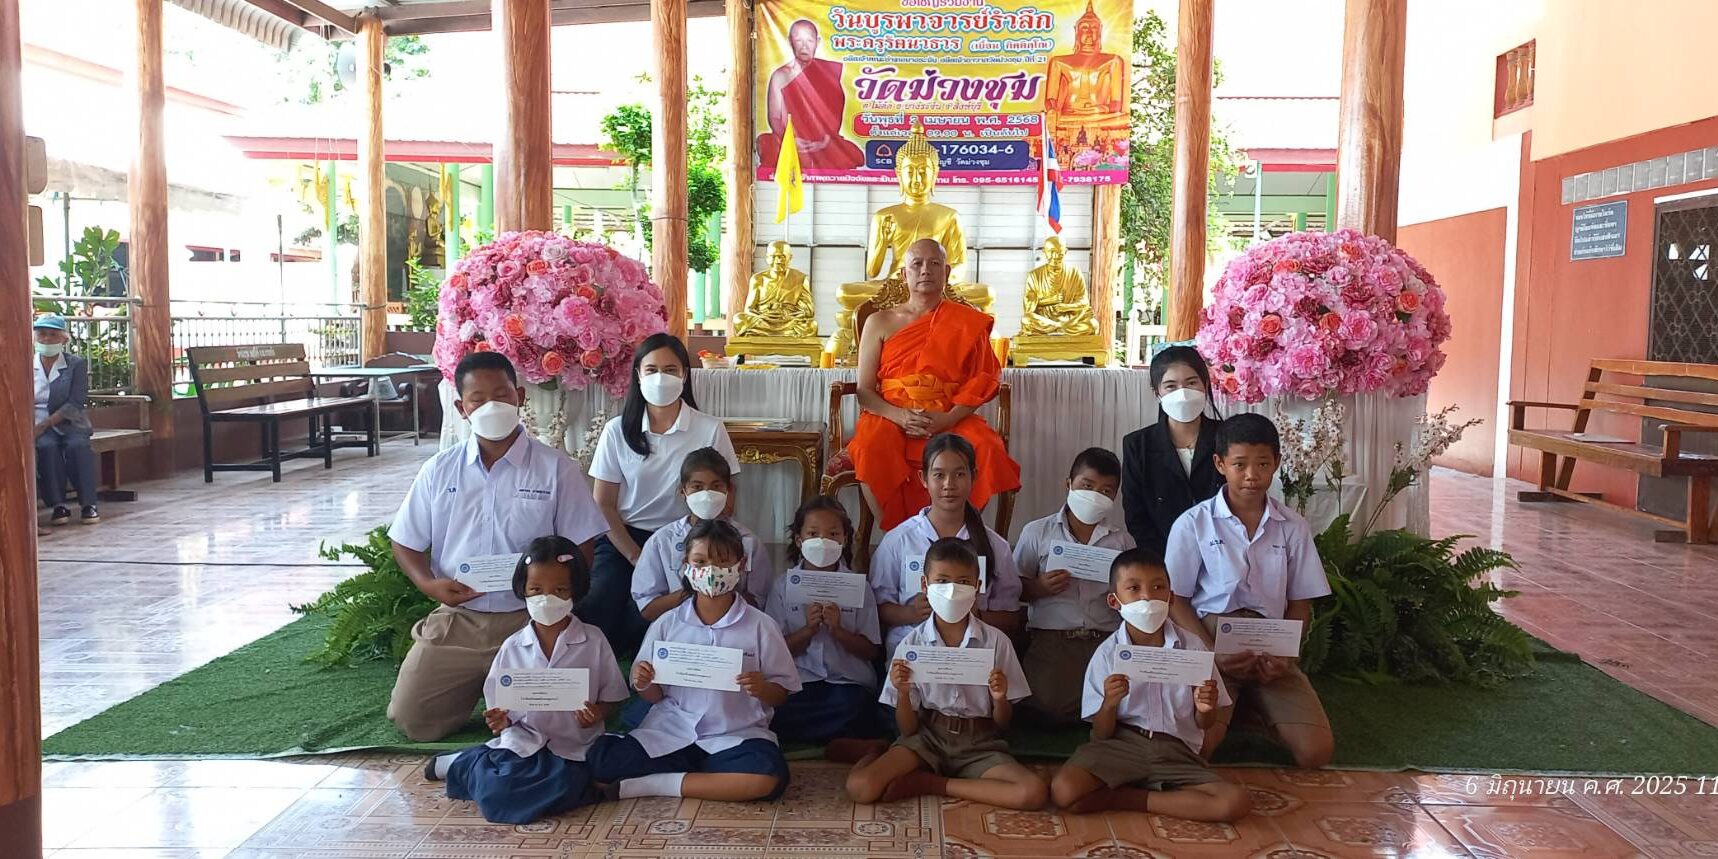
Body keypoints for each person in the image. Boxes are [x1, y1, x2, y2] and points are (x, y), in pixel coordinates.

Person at [386, 351, 609, 742]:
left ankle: (509, 693)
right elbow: (405, 540)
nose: (492, 406)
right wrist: (429, 584)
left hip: (532, 622)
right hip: (460, 619)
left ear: (519, 397)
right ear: (462, 408)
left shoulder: (555, 468)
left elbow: (582, 546)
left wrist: (555, 604)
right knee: (413, 721)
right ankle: (477, 686)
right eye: (478, 399)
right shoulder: (440, 469)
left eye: (502, 395)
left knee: (560, 724)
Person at [1165, 413, 1334, 769]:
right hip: (1211, 638)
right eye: (1239, 464)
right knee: (1196, 749)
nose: (1252, 476)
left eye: (1263, 464)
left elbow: (1300, 602)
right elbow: (1175, 599)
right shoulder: (1193, 523)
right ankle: (1236, 705)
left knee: (1315, 752)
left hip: (1271, 645)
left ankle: (1253, 703)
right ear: (1220, 464)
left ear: (1277, 463)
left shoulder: (1293, 527)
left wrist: (1286, 656)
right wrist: (1210, 654)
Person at [588, 520, 800, 802]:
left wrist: (762, 688)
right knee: (601, 763)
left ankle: (653, 785)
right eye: (700, 561)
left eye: (723, 561)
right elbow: (653, 695)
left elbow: (781, 694)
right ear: (686, 565)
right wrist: (644, 681)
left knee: (766, 777)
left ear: (741, 564)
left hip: (734, 734)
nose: (711, 571)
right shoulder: (668, 623)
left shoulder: (761, 626)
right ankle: (703, 781)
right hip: (671, 731)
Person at [424, 537, 630, 824]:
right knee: (500, 792)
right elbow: (500, 706)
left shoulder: (593, 641)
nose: (547, 599)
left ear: (576, 590)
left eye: (560, 590)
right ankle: (467, 763)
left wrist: (597, 713)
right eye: (536, 589)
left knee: (573, 784)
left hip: (573, 745)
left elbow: (612, 697)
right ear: (523, 589)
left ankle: (467, 762)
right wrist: (501, 720)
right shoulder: (513, 646)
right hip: (523, 743)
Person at [1049, 549, 1250, 822]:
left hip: (1175, 750)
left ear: (1171, 597)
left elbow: (1205, 723)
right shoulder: (1108, 653)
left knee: (1233, 803)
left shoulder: (1192, 647)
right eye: (1134, 588)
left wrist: (1205, 707)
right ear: (1114, 600)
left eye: (1158, 587)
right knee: (1064, 790)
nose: (1147, 597)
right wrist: (1109, 703)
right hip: (1122, 745)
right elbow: (1101, 733)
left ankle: (1123, 798)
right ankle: (1167, 798)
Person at [844, 538, 1046, 809]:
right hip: (928, 739)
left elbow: (1003, 723)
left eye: (963, 582)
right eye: (942, 581)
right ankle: (875, 752)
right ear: (925, 585)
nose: (952, 591)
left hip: (979, 744)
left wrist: (999, 698)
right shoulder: (912, 644)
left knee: (1032, 793)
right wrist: (902, 693)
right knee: (860, 788)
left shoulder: (996, 642)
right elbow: (908, 728)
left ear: (977, 586)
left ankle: (931, 783)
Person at [849, 238, 1020, 530]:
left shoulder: (966, 322)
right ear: (904, 274)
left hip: (947, 413)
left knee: (987, 446)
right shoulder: (879, 321)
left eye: (934, 263)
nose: (925, 270)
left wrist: (947, 419)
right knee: (870, 445)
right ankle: (899, 536)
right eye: (917, 264)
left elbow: (982, 382)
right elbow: (864, 391)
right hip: (891, 414)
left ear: (947, 272)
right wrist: (900, 416)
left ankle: (958, 531)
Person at [588, 333, 741, 655]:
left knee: (677, 607)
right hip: (627, 539)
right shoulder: (617, 431)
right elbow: (603, 503)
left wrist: (701, 545)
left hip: (688, 537)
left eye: (670, 370)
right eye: (652, 369)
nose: (661, 378)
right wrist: (636, 556)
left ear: (684, 375)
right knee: (601, 600)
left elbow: (727, 493)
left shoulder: (709, 428)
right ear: (638, 375)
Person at [1013, 447, 1136, 727]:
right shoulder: (1037, 532)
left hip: (1106, 637)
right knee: (1049, 708)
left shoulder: (1122, 541)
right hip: (1053, 637)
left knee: (1119, 702)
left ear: (1115, 497)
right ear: (1068, 484)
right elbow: (1013, 589)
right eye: (1087, 486)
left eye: (1106, 491)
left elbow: (1132, 592)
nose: (1095, 495)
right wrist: (1039, 587)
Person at [870, 432, 1022, 654]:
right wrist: (910, 613)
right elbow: (876, 608)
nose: (949, 484)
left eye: (959, 474)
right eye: (939, 475)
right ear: (923, 478)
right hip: (914, 657)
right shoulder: (898, 541)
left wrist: (976, 614)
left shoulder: (995, 546)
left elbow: (1011, 617)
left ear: (974, 477)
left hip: (973, 657)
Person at [765, 495, 882, 743]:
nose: (823, 541)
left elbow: (871, 651)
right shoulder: (782, 586)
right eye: (813, 533)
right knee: (777, 711)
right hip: (800, 681)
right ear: (799, 540)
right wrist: (807, 631)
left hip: (845, 683)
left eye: (833, 534)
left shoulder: (859, 588)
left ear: (844, 539)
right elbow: (774, 651)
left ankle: (829, 740)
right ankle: (839, 741)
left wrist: (839, 631)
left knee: (857, 707)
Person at [630, 446, 772, 619]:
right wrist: (694, 589)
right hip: (678, 630)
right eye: (697, 487)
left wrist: (724, 587)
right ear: (683, 491)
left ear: (728, 490)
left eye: (716, 486)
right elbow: (647, 609)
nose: (707, 495)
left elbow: (760, 604)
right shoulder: (661, 541)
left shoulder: (749, 542)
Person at [1122, 346, 1224, 558]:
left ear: (1205, 385)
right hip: (1162, 558)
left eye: (1191, 383)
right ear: (1157, 392)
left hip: (1224, 552)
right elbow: (1136, 515)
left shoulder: (1227, 437)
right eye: (1171, 386)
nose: (1183, 394)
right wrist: (1167, 559)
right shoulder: (1138, 445)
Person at [757, 19, 864, 170]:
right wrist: (790, 139)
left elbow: (835, 114)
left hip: (822, 142)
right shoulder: (781, 75)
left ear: (817, 42)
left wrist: (826, 139)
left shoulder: (828, 73)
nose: (804, 46)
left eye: (809, 41)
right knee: (767, 146)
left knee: (853, 155)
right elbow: (774, 117)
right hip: (789, 139)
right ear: (790, 42)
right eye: (798, 40)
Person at [31, 314, 99, 525]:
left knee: (78, 447)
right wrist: (36, 426)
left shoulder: (75, 364)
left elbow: (76, 402)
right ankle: (58, 505)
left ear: (64, 339)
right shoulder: (26, 364)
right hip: (37, 423)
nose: (47, 339)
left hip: (70, 422)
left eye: (53, 335)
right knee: (47, 448)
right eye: (42, 334)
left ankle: (89, 504)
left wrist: (46, 424)